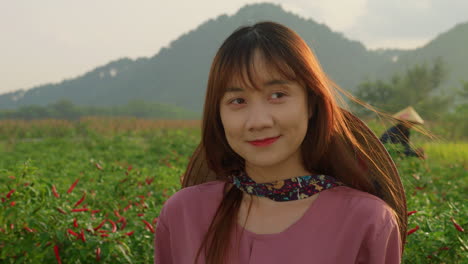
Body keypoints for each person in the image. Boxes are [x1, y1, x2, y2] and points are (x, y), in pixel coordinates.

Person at [154, 21, 407, 264]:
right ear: (218, 114)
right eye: (238, 101)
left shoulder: (368, 221)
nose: (258, 121)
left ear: (311, 104)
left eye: (277, 95)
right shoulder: (183, 215)